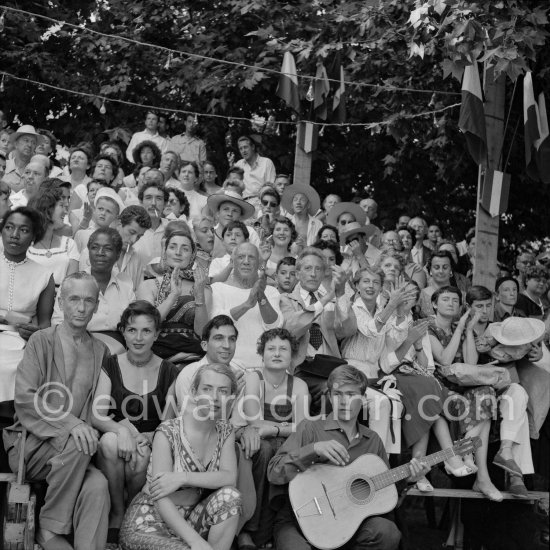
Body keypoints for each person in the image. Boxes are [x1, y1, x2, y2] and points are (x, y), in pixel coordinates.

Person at [267, 364, 430, 550]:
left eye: (351, 395)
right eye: (338, 394)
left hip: (348, 526)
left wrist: (408, 479)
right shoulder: (310, 428)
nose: (344, 401)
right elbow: (274, 472)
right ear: (329, 397)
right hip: (299, 520)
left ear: (363, 398)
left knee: (387, 532)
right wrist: (313, 449)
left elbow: (383, 493)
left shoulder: (373, 440)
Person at [2, 272, 111, 550]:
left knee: (97, 485)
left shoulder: (101, 351)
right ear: (61, 303)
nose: (81, 307)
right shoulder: (41, 340)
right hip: (33, 445)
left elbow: (99, 407)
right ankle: (49, 528)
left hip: (76, 452)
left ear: (97, 305)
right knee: (80, 443)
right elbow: (26, 398)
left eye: (89, 300)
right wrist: (72, 425)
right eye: (74, 299)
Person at [119, 363, 242, 550]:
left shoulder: (225, 430)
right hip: (150, 520)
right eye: (207, 389)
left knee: (231, 497)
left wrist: (183, 477)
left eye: (223, 391)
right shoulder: (168, 431)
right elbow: (160, 497)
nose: (214, 398)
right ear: (193, 391)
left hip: (191, 519)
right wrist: (197, 543)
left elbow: (229, 477)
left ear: (231, 397)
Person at [92, 301, 179, 543]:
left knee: (141, 457)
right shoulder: (110, 364)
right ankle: (117, 512)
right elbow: (97, 414)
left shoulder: (169, 371)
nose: (138, 338)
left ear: (157, 334)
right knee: (109, 441)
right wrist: (122, 431)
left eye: (146, 331)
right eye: (132, 330)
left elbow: (167, 424)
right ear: (123, 332)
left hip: (150, 444)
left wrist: (145, 439)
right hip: (116, 443)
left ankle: (134, 511)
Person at [381, 282, 474, 491]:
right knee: (429, 393)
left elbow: (427, 366)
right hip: (392, 376)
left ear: (415, 302)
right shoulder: (385, 323)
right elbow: (385, 364)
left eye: (412, 297)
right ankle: (449, 459)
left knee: (431, 397)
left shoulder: (418, 324)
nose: (407, 300)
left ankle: (421, 469)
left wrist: (416, 345)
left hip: (419, 378)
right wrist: (408, 345)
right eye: (403, 296)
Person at [428, 286, 503, 501]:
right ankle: (482, 477)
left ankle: (473, 463)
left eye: (455, 300)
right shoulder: (427, 326)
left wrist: (468, 330)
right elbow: (444, 359)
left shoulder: (460, 327)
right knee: (483, 409)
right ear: (434, 303)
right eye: (446, 299)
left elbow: (470, 364)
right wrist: (461, 326)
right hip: (440, 387)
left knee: (487, 394)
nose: (451, 303)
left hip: (463, 386)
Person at [238, 328, 309, 549]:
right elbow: (254, 421)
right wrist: (285, 427)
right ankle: (248, 531)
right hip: (248, 439)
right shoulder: (253, 378)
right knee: (266, 450)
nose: (277, 353)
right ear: (262, 353)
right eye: (271, 348)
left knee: (287, 454)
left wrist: (276, 430)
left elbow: (303, 427)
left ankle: (272, 530)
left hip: (278, 442)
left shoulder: (298, 385)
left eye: (283, 349)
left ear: (292, 356)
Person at [465, 285, 534, 496]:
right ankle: (516, 477)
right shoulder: (461, 329)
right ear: (468, 307)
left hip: (498, 389)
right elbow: (469, 365)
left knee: (519, 394)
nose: (484, 311)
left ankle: (505, 451)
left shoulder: (498, 328)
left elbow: (524, 346)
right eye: (478, 306)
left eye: (488, 305)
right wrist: (470, 332)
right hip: (473, 392)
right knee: (517, 411)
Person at [280, 247, 356, 413]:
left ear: (323, 274)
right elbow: (292, 331)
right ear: (298, 273)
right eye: (308, 268)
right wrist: (328, 297)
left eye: (318, 269)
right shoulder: (286, 299)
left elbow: (348, 330)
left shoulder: (333, 300)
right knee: (331, 392)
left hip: (330, 368)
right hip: (301, 369)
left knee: (354, 391)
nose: (313, 274)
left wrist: (341, 292)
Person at [0, 207, 55, 402]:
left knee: (20, 367)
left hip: (21, 342)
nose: (14, 235)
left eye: (23, 230)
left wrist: (35, 333)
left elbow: (45, 324)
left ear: (33, 237)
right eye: (9, 227)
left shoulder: (43, 275)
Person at [54, 228, 136, 353]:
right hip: (75, 348)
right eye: (94, 247)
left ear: (118, 254)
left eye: (108, 248)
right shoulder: (71, 283)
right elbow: (57, 323)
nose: (100, 253)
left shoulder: (125, 285)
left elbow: (133, 325)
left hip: (118, 351)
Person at [137, 230, 208, 363]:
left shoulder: (202, 287)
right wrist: (173, 295)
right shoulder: (149, 285)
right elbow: (147, 324)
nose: (178, 252)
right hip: (155, 356)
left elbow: (202, 332)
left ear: (192, 255)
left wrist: (199, 297)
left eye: (185, 249)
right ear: (165, 252)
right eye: (173, 247)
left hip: (192, 357)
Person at [208, 242, 283, 369]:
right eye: (241, 257)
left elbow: (275, 327)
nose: (246, 261)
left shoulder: (271, 292)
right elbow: (215, 323)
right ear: (233, 261)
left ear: (259, 263)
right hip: (228, 367)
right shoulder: (217, 289)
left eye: (251, 257)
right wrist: (247, 304)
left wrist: (261, 296)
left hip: (264, 368)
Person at [27, 187, 79, 286]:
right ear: (47, 209)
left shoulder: (69, 244)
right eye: (61, 206)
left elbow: (72, 285)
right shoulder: (25, 244)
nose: (65, 212)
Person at [207, 189, 260, 258]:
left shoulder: (250, 233)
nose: (230, 214)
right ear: (218, 213)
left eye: (235, 211)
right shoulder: (208, 234)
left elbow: (258, 261)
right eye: (226, 209)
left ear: (240, 217)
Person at [73, 187, 126, 253]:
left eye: (108, 211)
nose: (103, 213)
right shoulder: (81, 233)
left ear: (116, 217)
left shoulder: (116, 239)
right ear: (94, 210)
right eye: (100, 209)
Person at [132, 181, 171, 267]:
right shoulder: (131, 229)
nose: (153, 203)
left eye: (159, 198)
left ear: (165, 204)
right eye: (148, 198)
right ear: (141, 202)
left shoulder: (172, 228)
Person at [3, 124, 43, 192]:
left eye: (33, 142)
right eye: (26, 140)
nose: (29, 145)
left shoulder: (39, 170)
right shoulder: (4, 165)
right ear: (16, 144)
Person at [418, 251, 457, 317]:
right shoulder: (420, 296)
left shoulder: (462, 296)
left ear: (451, 271)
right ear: (430, 271)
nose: (441, 271)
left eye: (445, 267)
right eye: (436, 267)